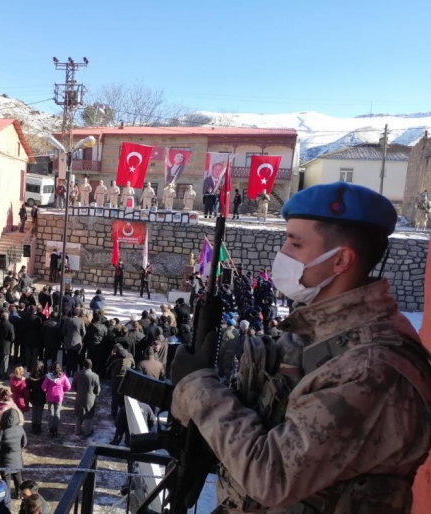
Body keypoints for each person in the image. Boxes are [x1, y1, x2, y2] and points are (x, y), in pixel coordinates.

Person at [171, 182, 431, 513]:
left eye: (295, 243)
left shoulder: (371, 368)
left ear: (341, 260)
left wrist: (198, 387)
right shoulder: (316, 333)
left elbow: (273, 477)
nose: (282, 253)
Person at [0, 408, 27, 499]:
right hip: (16, 460)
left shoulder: (1, 432)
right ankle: (19, 494)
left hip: (4, 462)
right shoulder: (20, 429)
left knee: (6, 480)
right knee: (18, 478)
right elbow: (24, 443)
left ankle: (7, 496)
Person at [71, 359, 101, 437]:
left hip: (79, 397)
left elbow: (73, 385)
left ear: (83, 365)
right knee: (88, 416)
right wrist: (95, 394)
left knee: (78, 414)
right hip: (90, 398)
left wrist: (79, 391)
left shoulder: (77, 374)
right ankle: (87, 431)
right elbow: (97, 389)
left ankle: (77, 430)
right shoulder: (95, 376)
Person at [41, 363, 71, 437]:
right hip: (58, 396)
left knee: (51, 413)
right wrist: (63, 391)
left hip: (50, 396)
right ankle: (56, 430)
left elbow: (43, 387)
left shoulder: (48, 377)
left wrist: (47, 391)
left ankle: (51, 429)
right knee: (57, 413)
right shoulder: (63, 377)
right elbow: (68, 386)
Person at [61, 308, 85, 377]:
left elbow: (63, 331)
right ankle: (74, 372)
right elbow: (83, 332)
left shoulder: (67, 320)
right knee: (75, 358)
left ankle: (68, 372)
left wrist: (67, 336)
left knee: (69, 357)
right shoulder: (81, 321)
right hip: (77, 341)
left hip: (68, 342)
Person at [26, 362, 46, 435]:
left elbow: (28, 387)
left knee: (34, 412)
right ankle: (38, 427)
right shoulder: (43, 377)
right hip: (41, 396)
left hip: (33, 396)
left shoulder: (31, 377)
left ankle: (33, 426)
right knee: (39, 413)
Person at [0, 311, 15, 381]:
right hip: (6, 345)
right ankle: (4, 375)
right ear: (7, 317)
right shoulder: (10, 325)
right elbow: (12, 337)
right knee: (5, 361)